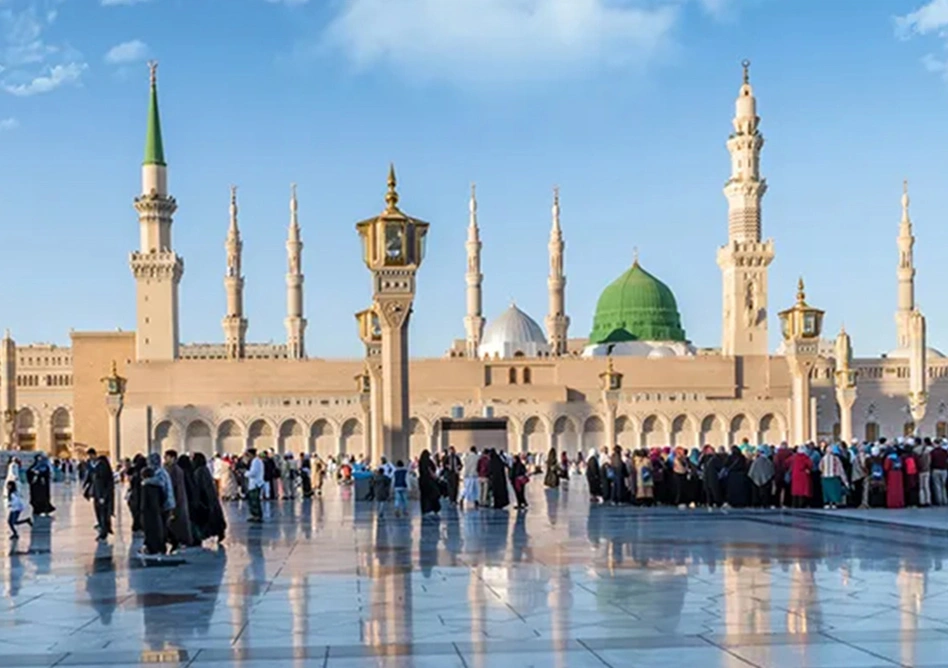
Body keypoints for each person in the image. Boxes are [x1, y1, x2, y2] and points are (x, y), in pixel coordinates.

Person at [192, 453, 227, 545]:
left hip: (205, 499)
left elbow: (199, 487)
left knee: (207, 519)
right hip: (211, 498)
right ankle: (219, 532)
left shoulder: (198, 472)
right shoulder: (205, 470)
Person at [163, 450, 193, 550]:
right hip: (176, 500)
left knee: (176, 522)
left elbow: (173, 486)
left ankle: (179, 540)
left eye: (167, 457)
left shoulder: (174, 470)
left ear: (172, 458)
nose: (165, 459)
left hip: (176, 500)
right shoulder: (172, 469)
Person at [140, 467, 167, 556]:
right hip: (157, 511)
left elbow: (143, 501)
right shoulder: (158, 485)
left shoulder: (145, 486)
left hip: (148, 512)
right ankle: (160, 547)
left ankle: (152, 548)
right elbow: (163, 498)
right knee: (158, 529)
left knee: (149, 531)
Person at [90, 455, 115, 542]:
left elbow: (102, 484)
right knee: (103, 514)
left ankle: (103, 533)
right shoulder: (103, 468)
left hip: (101, 496)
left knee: (103, 514)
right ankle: (105, 529)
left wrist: (102, 496)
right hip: (100, 495)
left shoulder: (101, 467)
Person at [819, 445, 849, 509]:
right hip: (833, 476)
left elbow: (820, 467)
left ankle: (827, 503)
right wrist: (844, 479)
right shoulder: (836, 458)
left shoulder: (823, 458)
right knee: (834, 491)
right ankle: (833, 503)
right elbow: (840, 468)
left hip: (825, 477)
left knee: (827, 491)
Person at [417, 450, 441, 516]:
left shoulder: (420, 462)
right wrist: (435, 477)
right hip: (429, 481)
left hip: (422, 481)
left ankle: (425, 509)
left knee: (424, 496)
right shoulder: (429, 462)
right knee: (433, 494)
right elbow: (431, 470)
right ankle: (434, 508)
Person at [246, 449, 265, 523]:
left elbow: (253, 473)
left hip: (255, 484)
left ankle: (257, 516)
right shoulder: (257, 461)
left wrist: (245, 473)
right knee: (253, 500)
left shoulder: (255, 461)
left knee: (254, 501)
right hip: (255, 483)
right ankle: (254, 515)